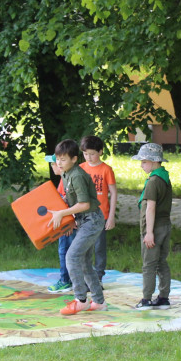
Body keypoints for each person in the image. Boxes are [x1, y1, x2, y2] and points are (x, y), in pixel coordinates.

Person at [48, 139, 106, 315]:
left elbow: (85, 204)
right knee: (84, 262)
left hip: (92, 220)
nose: (59, 163)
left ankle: (81, 299)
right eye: (57, 159)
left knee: (72, 257)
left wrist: (62, 214)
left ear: (74, 159)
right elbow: (72, 201)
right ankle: (99, 301)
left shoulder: (77, 176)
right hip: (83, 220)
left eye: (63, 159)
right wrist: (70, 220)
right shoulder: (66, 174)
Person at [132, 142, 172, 309]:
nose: (141, 165)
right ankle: (164, 298)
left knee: (149, 264)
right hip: (165, 226)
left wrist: (149, 233)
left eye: (144, 161)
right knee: (162, 262)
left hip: (154, 228)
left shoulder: (153, 181)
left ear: (154, 162)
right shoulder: (164, 177)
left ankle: (146, 299)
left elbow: (150, 207)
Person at [79, 135, 118, 281]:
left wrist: (111, 217)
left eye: (92, 154)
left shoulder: (106, 170)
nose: (88, 157)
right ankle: (86, 275)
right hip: (82, 215)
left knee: (99, 247)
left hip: (101, 215)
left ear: (101, 152)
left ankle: (99, 276)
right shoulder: (80, 168)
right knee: (83, 247)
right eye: (85, 154)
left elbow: (113, 193)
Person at [46, 155, 75, 292]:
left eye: (53, 165)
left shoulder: (67, 180)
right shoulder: (64, 179)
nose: (52, 168)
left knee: (64, 251)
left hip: (67, 224)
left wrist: (69, 223)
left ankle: (65, 280)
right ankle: (70, 279)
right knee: (66, 251)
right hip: (65, 222)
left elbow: (71, 203)